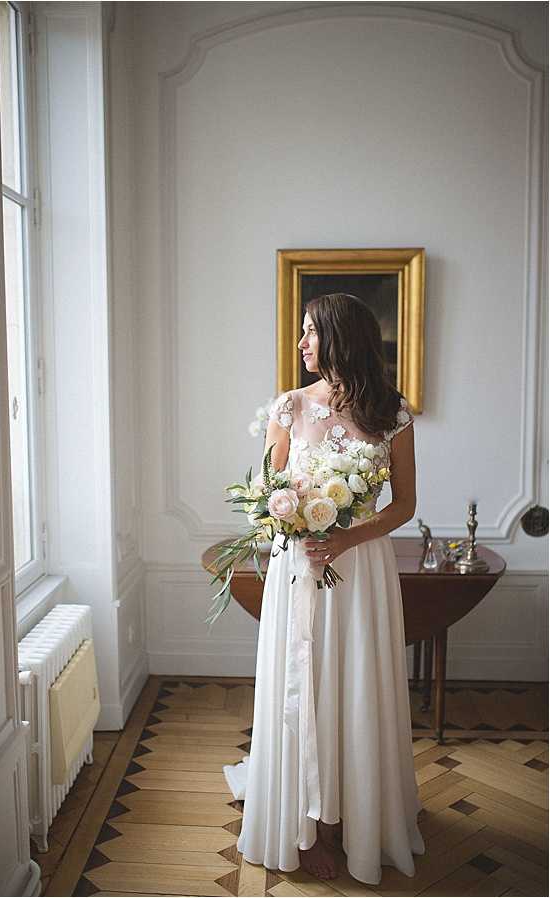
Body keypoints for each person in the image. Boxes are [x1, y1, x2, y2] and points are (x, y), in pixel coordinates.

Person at [223, 293, 425, 884]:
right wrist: (289, 516)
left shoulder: (392, 412)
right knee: (301, 684)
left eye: (311, 332)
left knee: (355, 683)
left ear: (340, 337)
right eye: (302, 333)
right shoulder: (288, 407)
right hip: (299, 569)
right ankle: (303, 822)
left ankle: (353, 822)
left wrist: (346, 536)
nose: (302, 344)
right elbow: (264, 492)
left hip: (361, 572)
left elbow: (406, 505)